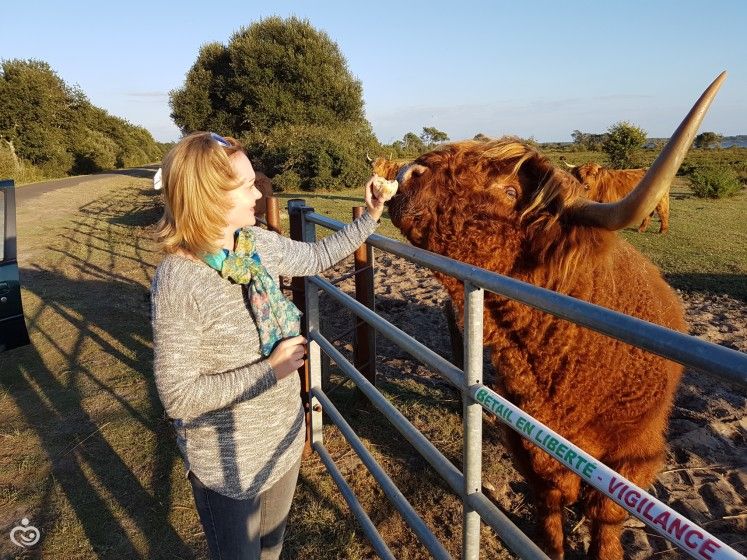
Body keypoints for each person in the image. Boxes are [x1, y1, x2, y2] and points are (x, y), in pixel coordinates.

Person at [150, 131, 388, 559]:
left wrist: (369, 216)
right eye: (244, 185)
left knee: (272, 553)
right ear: (210, 197)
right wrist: (272, 370)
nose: (258, 190)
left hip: (284, 441)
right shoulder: (179, 280)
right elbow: (178, 396)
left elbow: (315, 258)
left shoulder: (254, 245)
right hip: (227, 468)